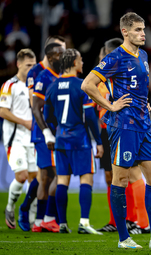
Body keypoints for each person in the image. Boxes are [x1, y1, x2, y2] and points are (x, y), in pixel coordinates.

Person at [81, 12, 151, 249]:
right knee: (121, 179)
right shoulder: (115, 57)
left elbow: (138, 86)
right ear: (125, 32)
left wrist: (144, 102)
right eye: (138, 30)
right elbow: (88, 84)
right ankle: (123, 238)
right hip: (123, 126)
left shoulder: (144, 55)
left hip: (144, 125)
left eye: (144, 29)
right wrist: (110, 105)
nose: (143, 34)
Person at [44, 49, 104, 234]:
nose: (82, 62)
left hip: (61, 138)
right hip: (80, 139)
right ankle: (84, 223)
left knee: (62, 180)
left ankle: (62, 224)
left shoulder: (52, 87)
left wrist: (57, 130)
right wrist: (99, 141)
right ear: (73, 62)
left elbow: (47, 116)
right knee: (86, 178)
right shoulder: (81, 85)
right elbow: (90, 115)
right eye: (80, 59)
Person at [96, 38, 150, 234]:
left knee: (132, 173)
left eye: (105, 57)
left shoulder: (121, 73)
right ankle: (119, 220)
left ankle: (140, 221)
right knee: (113, 176)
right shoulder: (106, 78)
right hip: (107, 130)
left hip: (124, 126)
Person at [18, 35, 66, 232]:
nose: (65, 55)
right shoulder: (36, 72)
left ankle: (41, 217)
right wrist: (45, 129)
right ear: (52, 52)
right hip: (41, 129)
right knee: (46, 174)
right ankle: (30, 211)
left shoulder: (59, 72)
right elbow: (34, 103)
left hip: (54, 129)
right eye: (62, 51)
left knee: (47, 174)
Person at [0, 49, 37, 229]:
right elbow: (2, 111)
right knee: (21, 176)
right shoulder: (9, 85)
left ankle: (31, 218)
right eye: (28, 65)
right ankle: (9, 207)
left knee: (35, 179)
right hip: (15, 139)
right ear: (18, 64)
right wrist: (25, 122)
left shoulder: (34, 85)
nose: (31, 68)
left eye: (34, 65)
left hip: (33, 139)